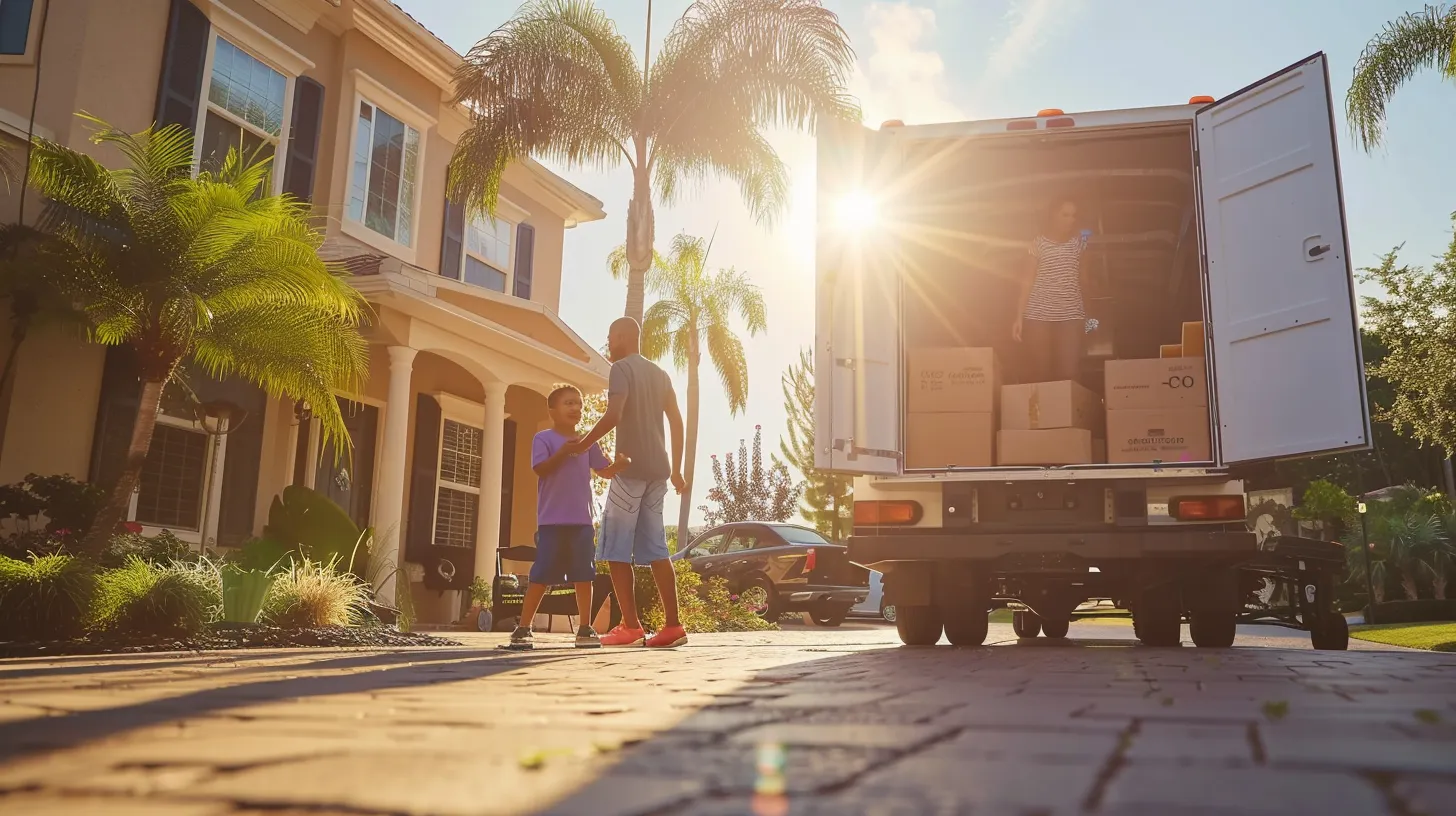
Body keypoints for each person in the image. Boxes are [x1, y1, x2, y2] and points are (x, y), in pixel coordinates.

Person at [567, 316, 688, 648]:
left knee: (615, 549)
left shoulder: (621, 369)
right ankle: (673, 627)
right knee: (657, 549)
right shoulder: (661, 375)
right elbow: (677, 421)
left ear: (623, 336)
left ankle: (631, 626)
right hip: (659, 471)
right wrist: (676, 468)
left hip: (630, 470)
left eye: (611, 337)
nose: (609, 342)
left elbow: (614, 414)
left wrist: (583, 444)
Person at [508, 384, 630, 651]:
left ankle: (585, 628)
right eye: (569, 403)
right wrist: (563, 452)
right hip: (551, 522)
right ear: (552, 410)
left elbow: (604, 471)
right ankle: (523, 629)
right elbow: (541, 469)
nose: (576, 408)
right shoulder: (544, 439)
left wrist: (618, 466)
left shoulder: (589, 441)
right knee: (540, 575)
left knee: (583, 575)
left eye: (579, 404)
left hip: (582, 523)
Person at [1012, 198, 1091, 383]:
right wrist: (1018, 316)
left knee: (1069, 371)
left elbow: (1084, 280)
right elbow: (1026, 281)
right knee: (1041, 371)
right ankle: (1042, 410)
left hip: (1070, 315)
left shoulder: (1079, 244)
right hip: (1039, 315)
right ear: (1053, 216)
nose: (1070, 219)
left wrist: (1090, 315)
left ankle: (1068, 410)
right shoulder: (1038, 244)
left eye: (1073, 215)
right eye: (1065, 214)